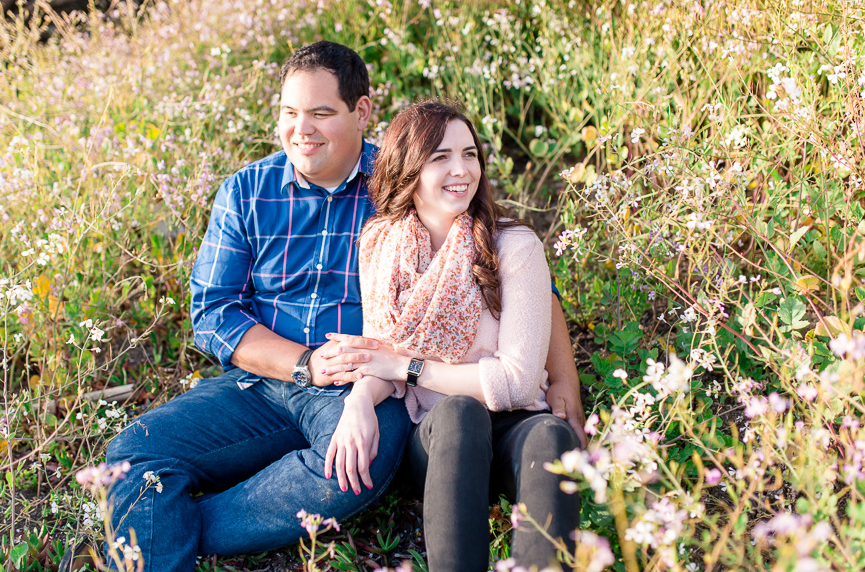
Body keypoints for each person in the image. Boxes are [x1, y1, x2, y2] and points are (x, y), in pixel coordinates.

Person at [96, 41, 585, 571]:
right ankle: (165, 543)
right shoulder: (246, 192)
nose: (301, 129)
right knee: (135, 452)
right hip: (263, 381)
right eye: (289, 113)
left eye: (321, 113)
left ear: (362, 112)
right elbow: (214, 312)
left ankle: (181, 526)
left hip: (362, 388)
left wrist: (563, 383)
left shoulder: (406, 177)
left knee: (351, 466)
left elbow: (515, 277)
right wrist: (302, 363)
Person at [322, 100, 580, 571]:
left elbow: (519, 383)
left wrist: (408, 368)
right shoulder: (381, 245)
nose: (461, 170)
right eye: (440, 157)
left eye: (469, 154)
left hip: (514, 427)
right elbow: (382, 358)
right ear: (408, 169)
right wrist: (359, 401)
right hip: (442, 438)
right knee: (460, 412)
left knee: (552, 435)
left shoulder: (514, 247)